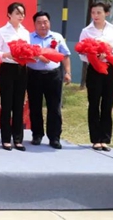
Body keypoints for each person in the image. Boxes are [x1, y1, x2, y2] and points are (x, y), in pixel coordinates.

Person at [78, 2, 113, 152]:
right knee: (94, 103)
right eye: (93, 13)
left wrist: (107, 52)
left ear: (106, 13)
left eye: (98, 12)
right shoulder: (86, 31)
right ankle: (95, 139)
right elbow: (81, 53)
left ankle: (105, 139)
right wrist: (94, 56)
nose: (95, 16)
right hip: (94, 70)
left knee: (107, 104)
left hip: (110, 69)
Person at [27, 11, 71, 150]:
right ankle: (37, 135)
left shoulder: (57, 37)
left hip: (53, 75)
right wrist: (38, 56)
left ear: (49, 23)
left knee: (54, 107)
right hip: (34, 75)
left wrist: (67, 72)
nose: (43, 25)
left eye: (45, 22)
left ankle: (54, 137)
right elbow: (25, 55)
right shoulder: (28, 38)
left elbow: (65, 55)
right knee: (35, 106)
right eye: (39, 22)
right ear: (34, 24)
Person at [0, 2, 30, 151]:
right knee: (7, 105)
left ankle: (18, 139)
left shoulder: (25, 32)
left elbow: (28, 49)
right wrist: (7, 54)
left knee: (19, 105)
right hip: (7, 68)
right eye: (17, 13)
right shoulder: (1, 31)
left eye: (22, 13)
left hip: (21, 69)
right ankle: (6, 139)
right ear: (9, 14)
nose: (21, 16)